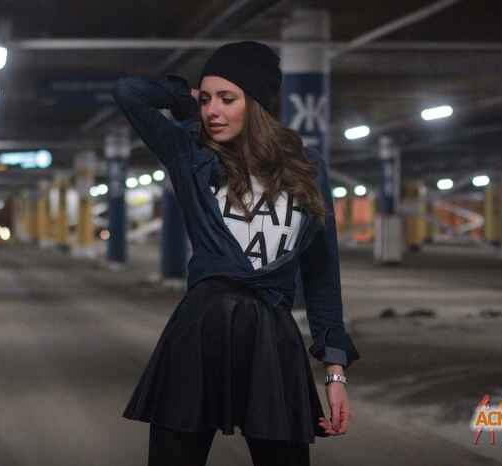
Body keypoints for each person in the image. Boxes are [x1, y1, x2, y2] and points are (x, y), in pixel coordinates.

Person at [112, 40, 360, 466]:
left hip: (273, 339)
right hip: (199, 333)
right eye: (207, 100)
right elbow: (128, 92)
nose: (212, 111)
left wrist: (335, 372)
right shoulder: (190, 155)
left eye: (227, 99)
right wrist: (185, 97)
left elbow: (322, 275)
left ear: (256, 104)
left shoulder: (306, 168)